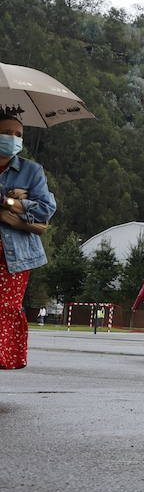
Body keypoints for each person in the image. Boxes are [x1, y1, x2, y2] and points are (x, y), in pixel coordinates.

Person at [0, 110, 57, 370]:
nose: (13, 139)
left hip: (14, 255)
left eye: (18, 134)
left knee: (6, 309)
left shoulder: (31, 170)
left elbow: (46, 208)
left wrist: (12, 202)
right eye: (7, 132)